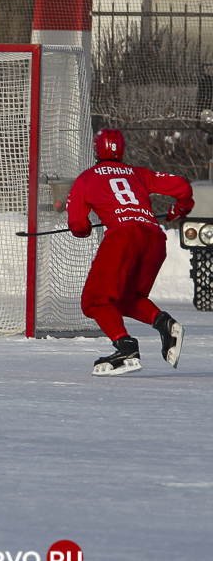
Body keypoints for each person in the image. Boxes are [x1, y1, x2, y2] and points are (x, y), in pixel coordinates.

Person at [68, 127, 193, 375]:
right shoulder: (139, 173)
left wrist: (85, 229)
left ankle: (126, 348)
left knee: (95, 300)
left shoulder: (87, 178)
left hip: (123, 238)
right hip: (154, 238)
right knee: (127, 299)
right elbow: (182, 187)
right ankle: (164, 324)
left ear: (96, 149)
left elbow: (78, 225)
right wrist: (178, 211)